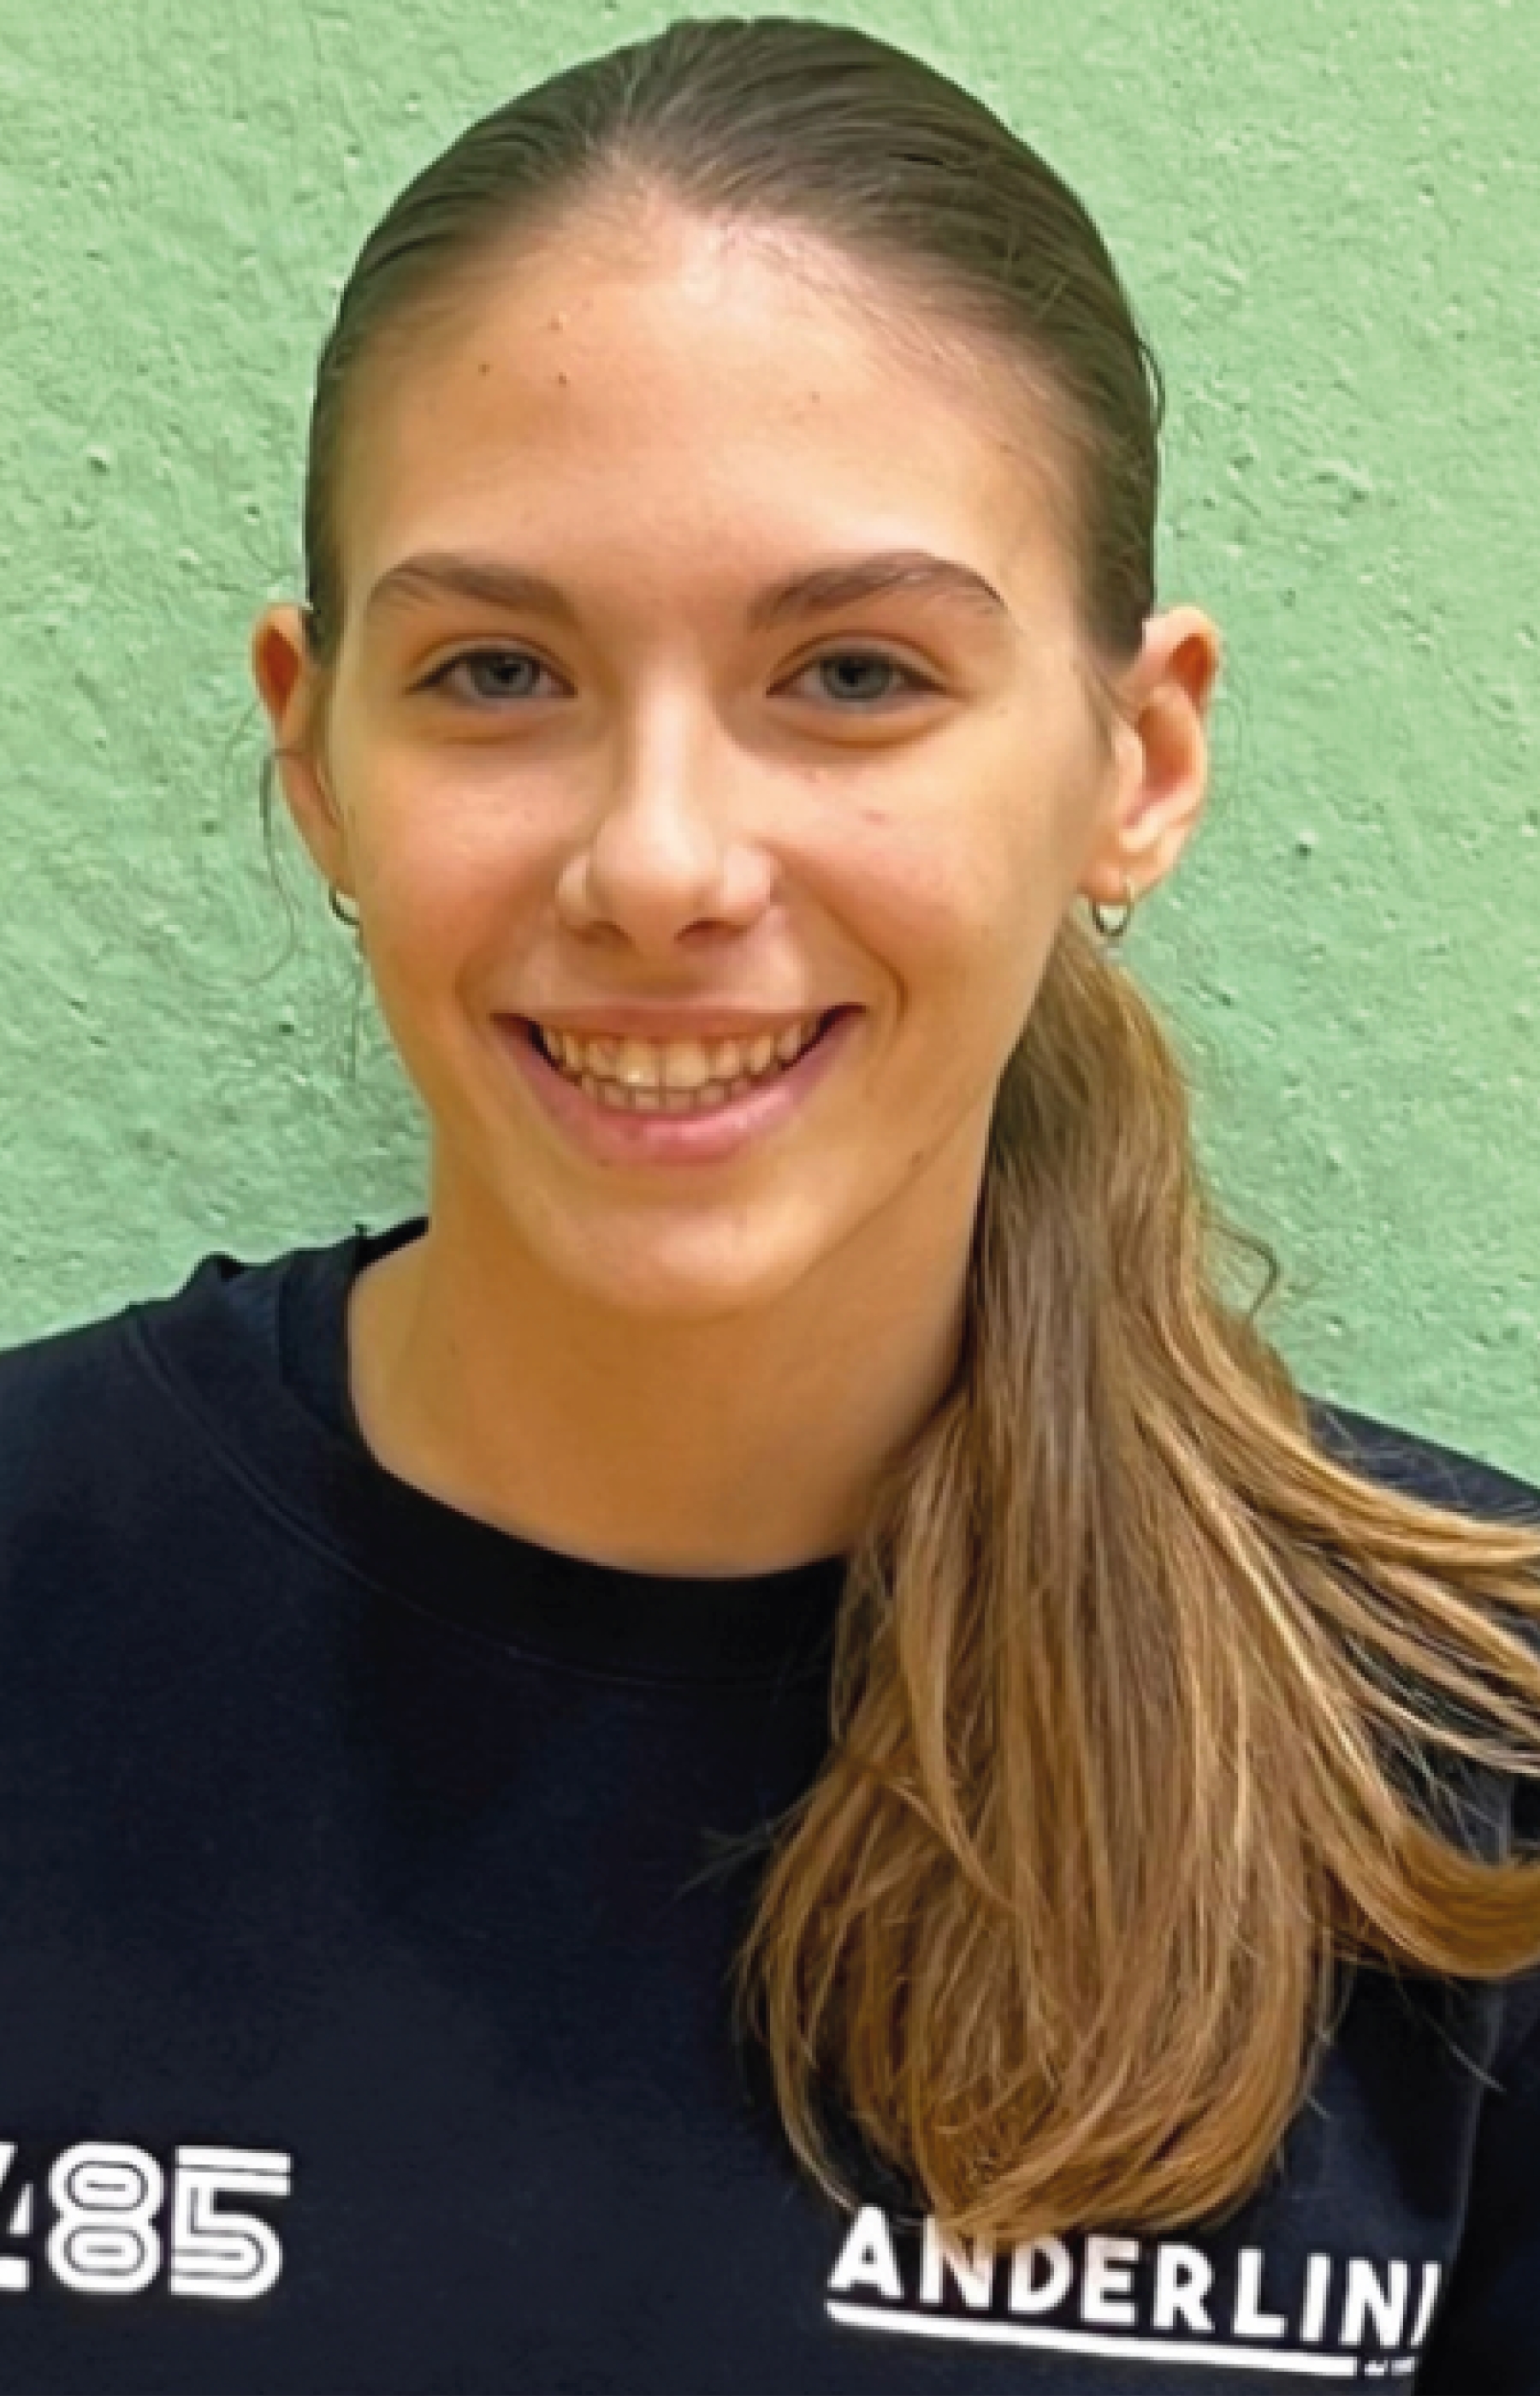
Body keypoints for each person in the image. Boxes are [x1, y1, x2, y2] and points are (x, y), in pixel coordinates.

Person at [0, 15, 1537, 2393]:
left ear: (1137, 760)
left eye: (850, 673)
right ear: (315, 756)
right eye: (496, 670)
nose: (661, 863)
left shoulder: (1480, 1771)